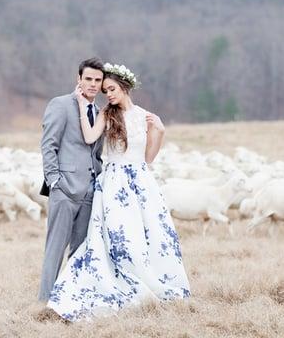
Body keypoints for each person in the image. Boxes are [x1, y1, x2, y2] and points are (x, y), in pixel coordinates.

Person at [46, 63, 191, 322]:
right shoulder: (106, 113)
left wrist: (160, 131)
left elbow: (148, 158)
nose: (108, 94)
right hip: (114, 182)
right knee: (120, 237)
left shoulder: (145, 116)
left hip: (141, 184)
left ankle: (151, 285)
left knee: (152, 237)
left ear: (125, 87)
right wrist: (81, 105)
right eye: (105, 90)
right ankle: (114, 283)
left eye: (111, 89)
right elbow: (90, 138)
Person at [37, 57, 105, 303]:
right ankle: (45, 303)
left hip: (90, 192)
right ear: (79, 79)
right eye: (88, 79)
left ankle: (70, 301)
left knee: (80, 252)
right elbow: (48, 145)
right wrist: (55, 181)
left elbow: (95, 153)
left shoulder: (99, 113)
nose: (93, 84)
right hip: (64, 190)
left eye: (98, 80)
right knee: (55, 250)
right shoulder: (60, 104)